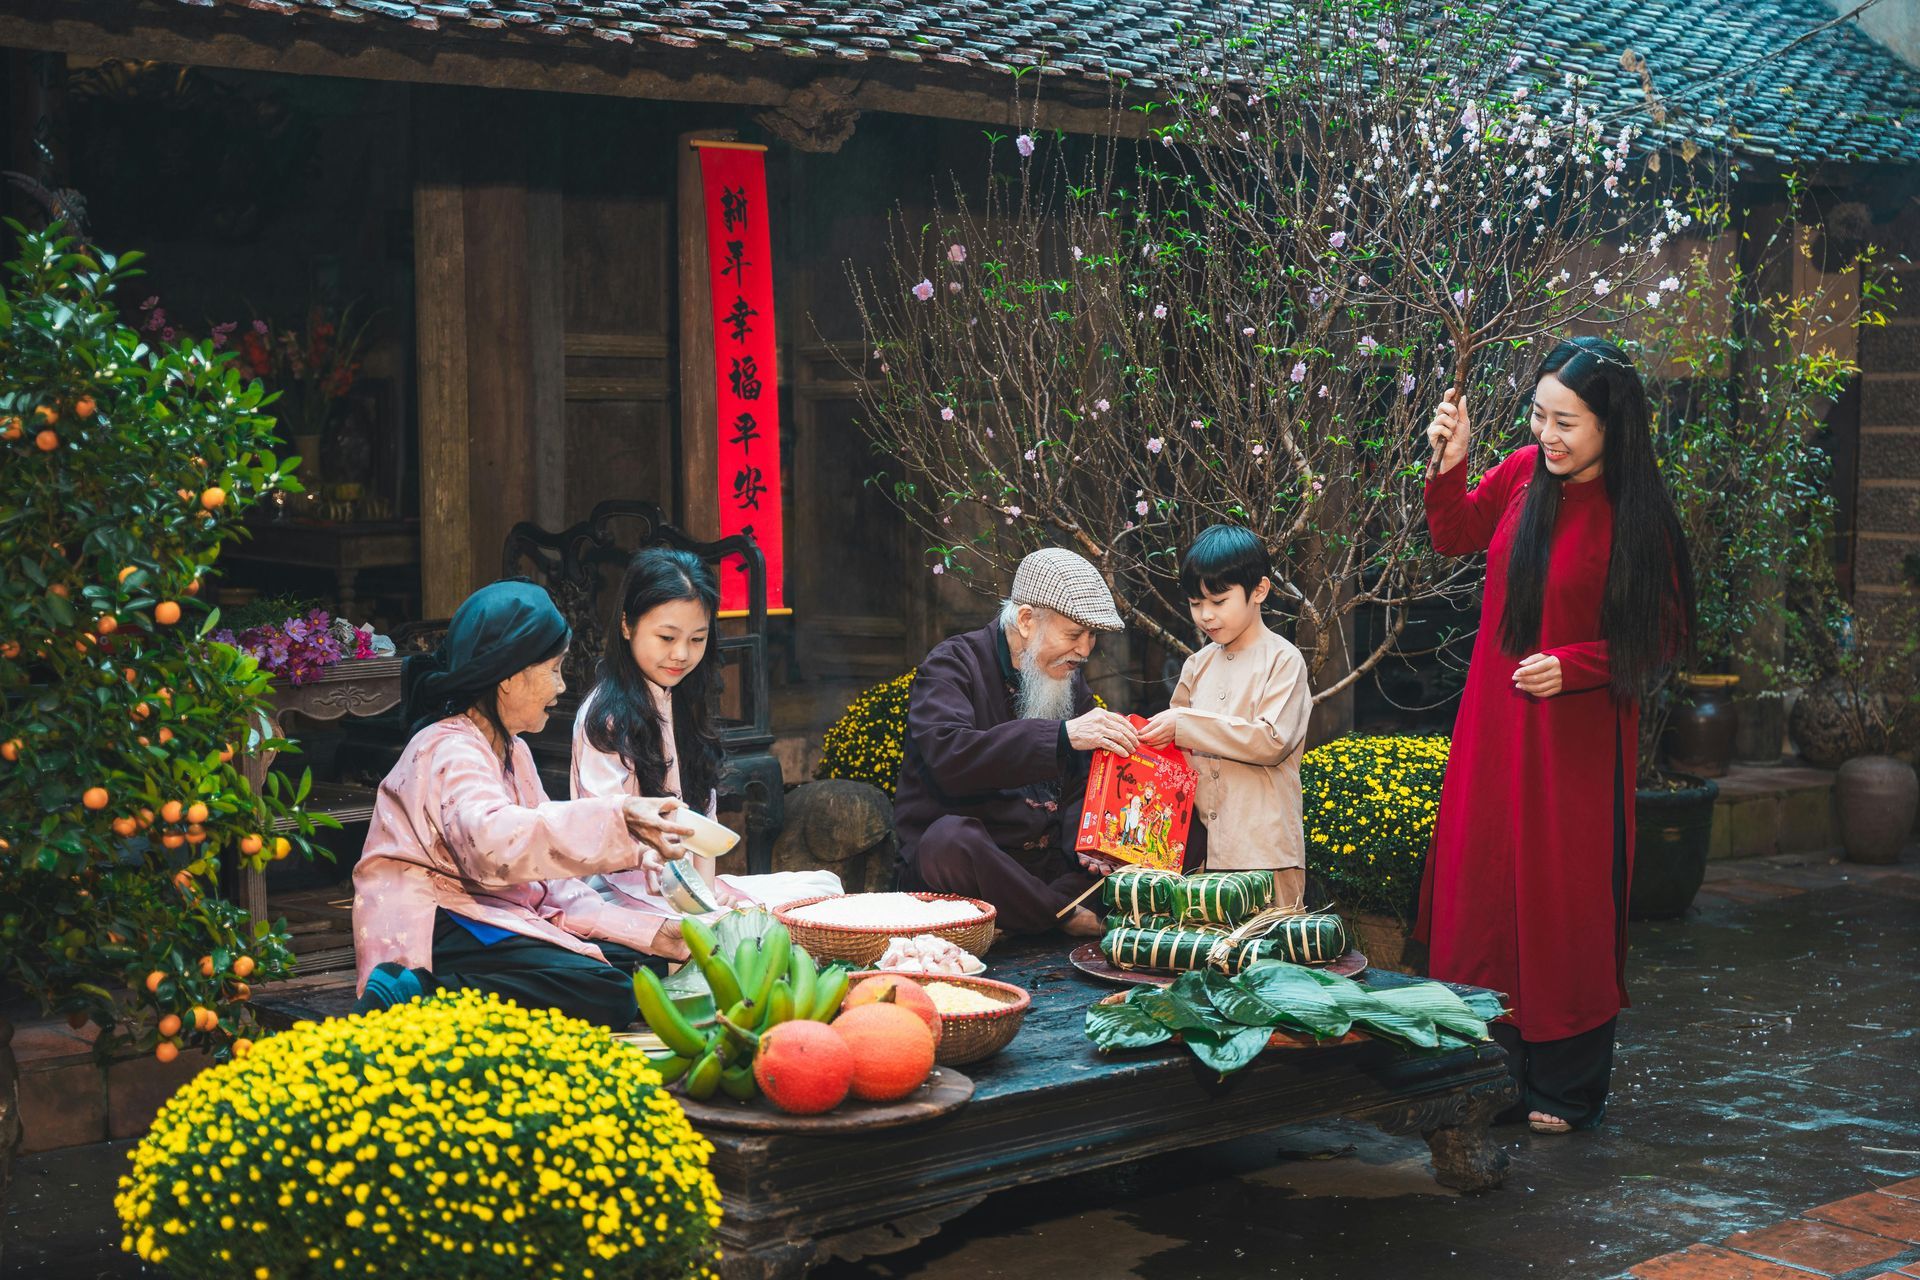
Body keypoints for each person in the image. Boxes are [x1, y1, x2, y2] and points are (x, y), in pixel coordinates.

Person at [1414, 336, 1694, 1134]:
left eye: (1566, 421)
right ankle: (1488, 1071)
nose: (1548, 435)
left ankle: (1567, 1086)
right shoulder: (1521, 477)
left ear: (1613, 426)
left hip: (1573, 742)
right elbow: (1454, 533)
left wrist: (1575, 666)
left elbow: (1663, 635)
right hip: (1494, 724)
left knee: (1562, 900)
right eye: (1539, 415)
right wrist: (1452, 463)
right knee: (1483, 890)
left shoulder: (1637, 517)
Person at [351, 579, 699, 1027]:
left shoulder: (514, 749)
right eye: (554, 669)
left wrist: (656, 934)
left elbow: (549, 881)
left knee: (635, 963)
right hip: (441, 917)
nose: (561, 686)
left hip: (493, 909)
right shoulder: (447, 747)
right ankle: (420, 993)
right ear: (511, 677)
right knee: (608, 991)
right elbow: (493, 844)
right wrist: (622, 817)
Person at [894, 548, 1142, 937]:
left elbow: (1083, 784)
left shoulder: (1068, 677)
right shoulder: (952, 664)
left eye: (1092, 636)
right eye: (1075, 634)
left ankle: (1037, 915)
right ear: (1026, 620)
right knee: (948, 843)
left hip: (1038, 874)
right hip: (980, 866)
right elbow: (951, 757)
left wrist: (1090, 843)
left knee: (1131, 847)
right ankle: (1063, 917)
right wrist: (1062, 736)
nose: (1085, 650)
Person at [572, 547, 747, 930]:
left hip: (685, 890)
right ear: (626, 625)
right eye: (666, 637)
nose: (681, 654)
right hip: (623, 889)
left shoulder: (683, 698)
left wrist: (705, 890)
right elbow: (606, 823)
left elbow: (704, 812)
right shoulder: (606, 715)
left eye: (697, 639)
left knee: (816, 888)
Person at [1138, 525, 1313, 909]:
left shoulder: (1283, 660)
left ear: (1260, 591)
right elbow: (1175, 760)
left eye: (1218, 601)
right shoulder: (1196, 666)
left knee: (1272, 961)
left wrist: (1184, 726)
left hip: (1266, 854)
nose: (1206, 615)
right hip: (1203, 856)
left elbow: (1271, 741)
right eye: (1196, 603)